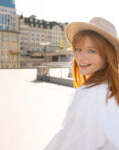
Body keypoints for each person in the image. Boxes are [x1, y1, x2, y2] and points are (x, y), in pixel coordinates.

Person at [43, 17, 119, 150]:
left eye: (91, 51)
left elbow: (73, 143)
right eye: (78, 49)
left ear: (108, 55)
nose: (80, 57)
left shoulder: (93, 92)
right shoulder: (111, 88)